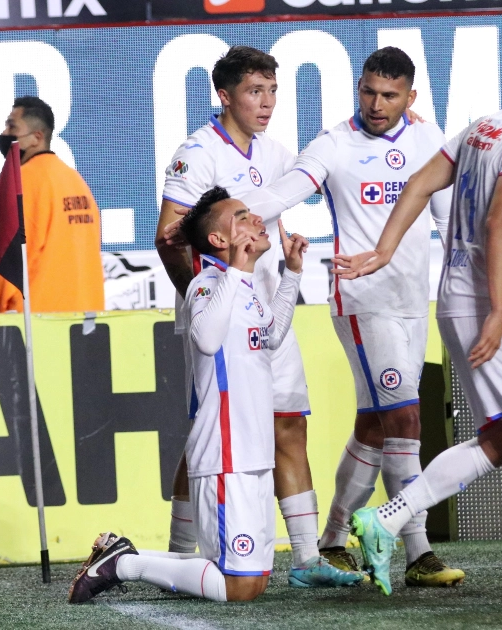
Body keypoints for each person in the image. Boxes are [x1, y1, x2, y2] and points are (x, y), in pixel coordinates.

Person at [335, 42, 502, 602]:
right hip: (496, 304)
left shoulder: (486, 126)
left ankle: (385, 520)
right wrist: (499, 313)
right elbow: (499, 223)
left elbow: (417, 183)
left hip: (454, 297)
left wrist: (385, 250)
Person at [236, 47, 462, 589]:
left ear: (412, 97)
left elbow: (449, 220)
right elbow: (285, 190)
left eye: (388, 95)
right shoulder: (334, 144)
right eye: (367, 91)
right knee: (406, 419)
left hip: (412, 302)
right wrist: (225, 216)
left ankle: (334, 539)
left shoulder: (427, 139)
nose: (375, 104)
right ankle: (418, 549)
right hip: (361, 302)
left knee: (377, 427)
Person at [155, 46, 360, 587]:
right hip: (221, 321)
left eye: (272, 90)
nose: (266, 103)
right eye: (254, 91)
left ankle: (309, 560)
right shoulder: (196, 154)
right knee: (208, 434)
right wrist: (204, 297)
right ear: (224, 96)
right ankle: (179, 552)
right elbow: (167, 237)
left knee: (289, 423)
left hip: (268, 310)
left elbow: (268, 225)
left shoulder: (274, 153)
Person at [68, 187, 307, 603]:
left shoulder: (245, 287)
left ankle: (119, 554)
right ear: (219, 241)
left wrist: (293, 273)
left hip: (254, 454)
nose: (256, 220)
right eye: (242, 217)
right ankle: (125, 565)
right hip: (224, 455)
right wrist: (236, 270)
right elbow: (207, 340)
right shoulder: (206, 285)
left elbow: (271, 335)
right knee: (239, 586)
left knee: (252, 580)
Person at [0, 96, 104, 314]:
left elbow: (3, 263)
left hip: (36, 322)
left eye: (12, 126)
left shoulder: (21, 182)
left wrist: (0, 313)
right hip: (85, 318)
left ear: (36, 138)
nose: (4, 134)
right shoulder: (76, 181)